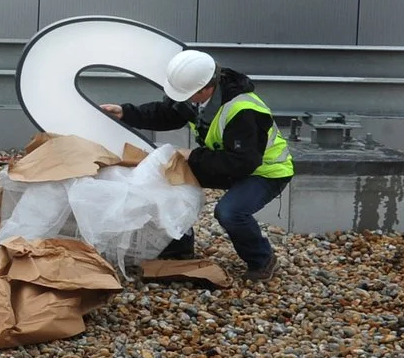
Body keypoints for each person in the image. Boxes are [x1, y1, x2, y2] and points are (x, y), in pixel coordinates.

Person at [102, 50, 292, 280]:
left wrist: (192, 156)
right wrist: (126, 112)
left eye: (187, 94)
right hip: (228, 160)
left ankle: (262, 259)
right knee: (165, 179)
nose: (183, 99)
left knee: (230, 212)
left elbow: (242, 163)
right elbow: (166, 114)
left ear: (206, 88)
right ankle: (179, 245)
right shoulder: (197, 97)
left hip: (265, 171)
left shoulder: (245, 111)